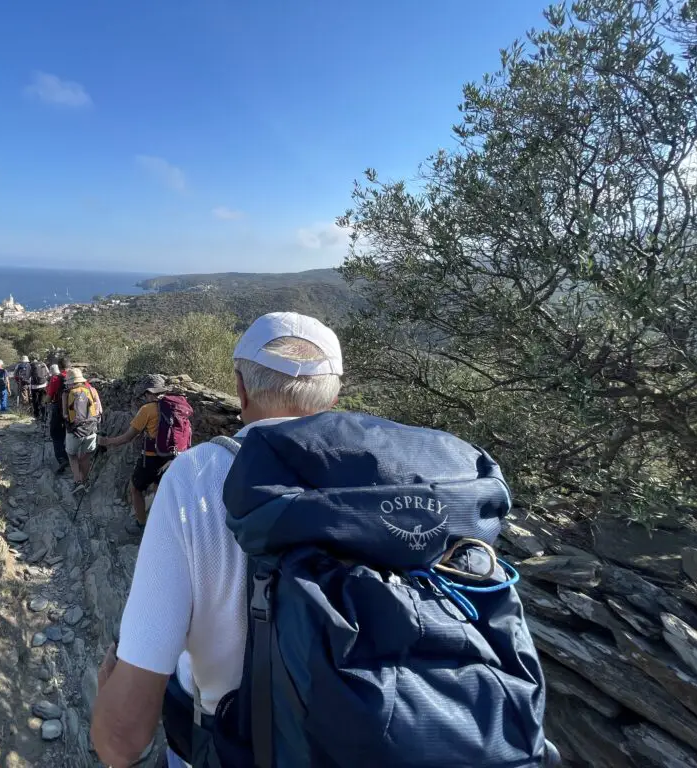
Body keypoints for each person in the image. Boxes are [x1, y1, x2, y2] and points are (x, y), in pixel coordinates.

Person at [91, 312, 552, 768]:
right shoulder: (414, 484)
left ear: (241, 386)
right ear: (334, 395)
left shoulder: (197, 477)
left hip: (234, 744)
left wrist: (108, 686)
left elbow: (121, 742)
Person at [99, 374, 192, 534]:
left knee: (136, 489)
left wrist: (106, 442)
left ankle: (141, 525)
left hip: (150, 458)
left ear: (149, 392)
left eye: (145, 394)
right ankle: (163, 527)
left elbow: (127, 437)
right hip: (173, 458)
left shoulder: (147, 410)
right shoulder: (177, 406)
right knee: (159, 490)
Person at [62, 367, 101, 487]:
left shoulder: (66, 393)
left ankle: (78, 481)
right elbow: (99, 410)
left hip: (74, 431)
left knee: (72, 455)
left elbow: (65, 414)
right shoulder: (92, 390)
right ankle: (85, 481)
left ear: (69, 381)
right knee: (86, 456)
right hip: (91, 429)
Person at [46, 356, 71, 473]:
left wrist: (44, 401)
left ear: (59, 367)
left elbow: (49, 397)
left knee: (56, 434)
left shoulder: (56, 379)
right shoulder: (77, 378)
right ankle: (72, 458)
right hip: (74, 412)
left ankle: (62, 459)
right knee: (71, 433)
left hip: (59, 410)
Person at [29, 355, 49, 422]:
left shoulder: (30, 365)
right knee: (42, 401)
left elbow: (27, 375)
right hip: (43, 385)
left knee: (35, 401)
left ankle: (37, 416)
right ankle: (44, 416)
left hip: (34, 387)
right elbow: (48, 373)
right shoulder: (43, 364)